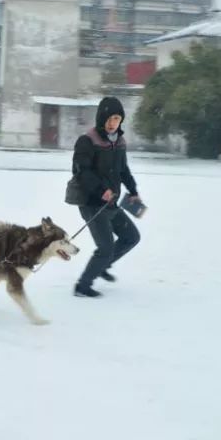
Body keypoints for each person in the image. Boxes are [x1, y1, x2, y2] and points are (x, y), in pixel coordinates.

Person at [69, 96, 142, 298]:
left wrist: (133, 191)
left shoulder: (119, 142)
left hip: (111, 203)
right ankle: (82, 286)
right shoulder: (87, 141)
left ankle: (102, 266)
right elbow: (81, 171)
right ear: (101, 118)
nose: (112, 123)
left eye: (117, 118)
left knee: (131, 237)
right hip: (92, 203)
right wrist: (102, 190)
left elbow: (123, 170)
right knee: (106, 247)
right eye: (109, 118)